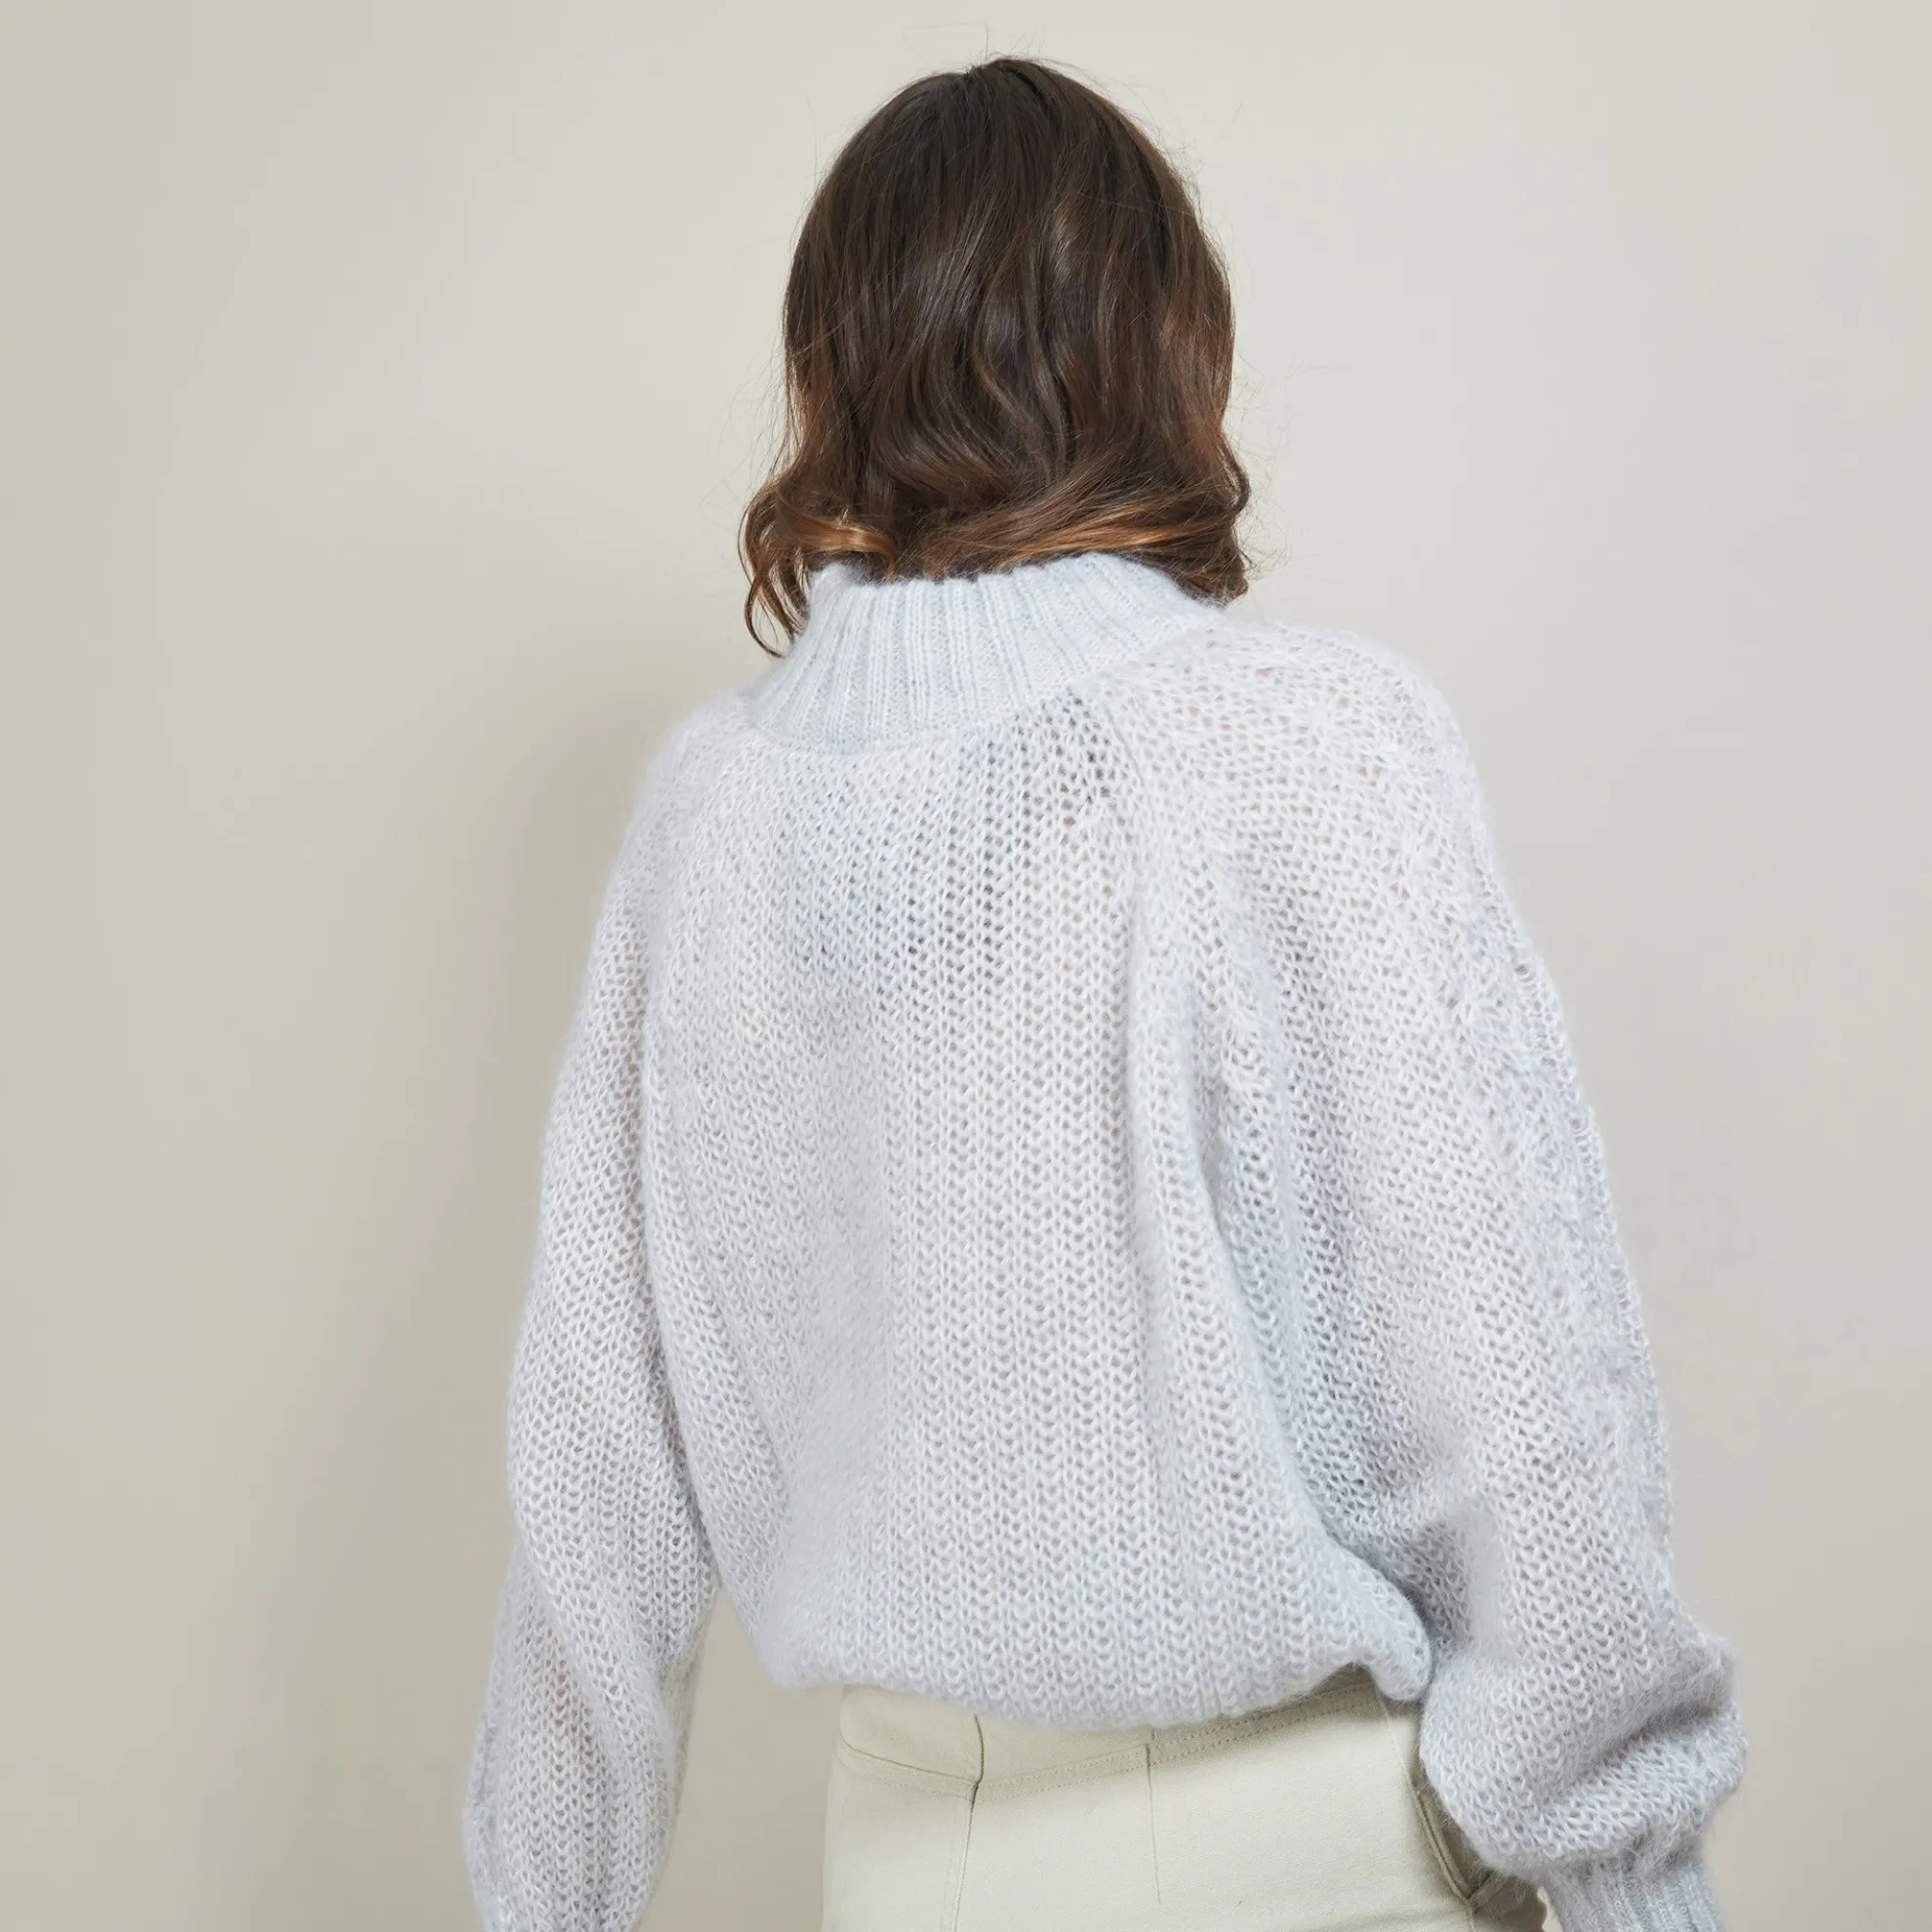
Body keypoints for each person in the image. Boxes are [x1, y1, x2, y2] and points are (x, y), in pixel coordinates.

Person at [461, 55, 1746, 1932]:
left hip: (908, 1858)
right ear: (1164, 350)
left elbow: (600, 1487)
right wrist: (1629, 1882)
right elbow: (1515, 1410)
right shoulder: (1310, 746)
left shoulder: (709, 823)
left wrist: (544, 1908)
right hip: (1313, 1859)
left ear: (835, 372)